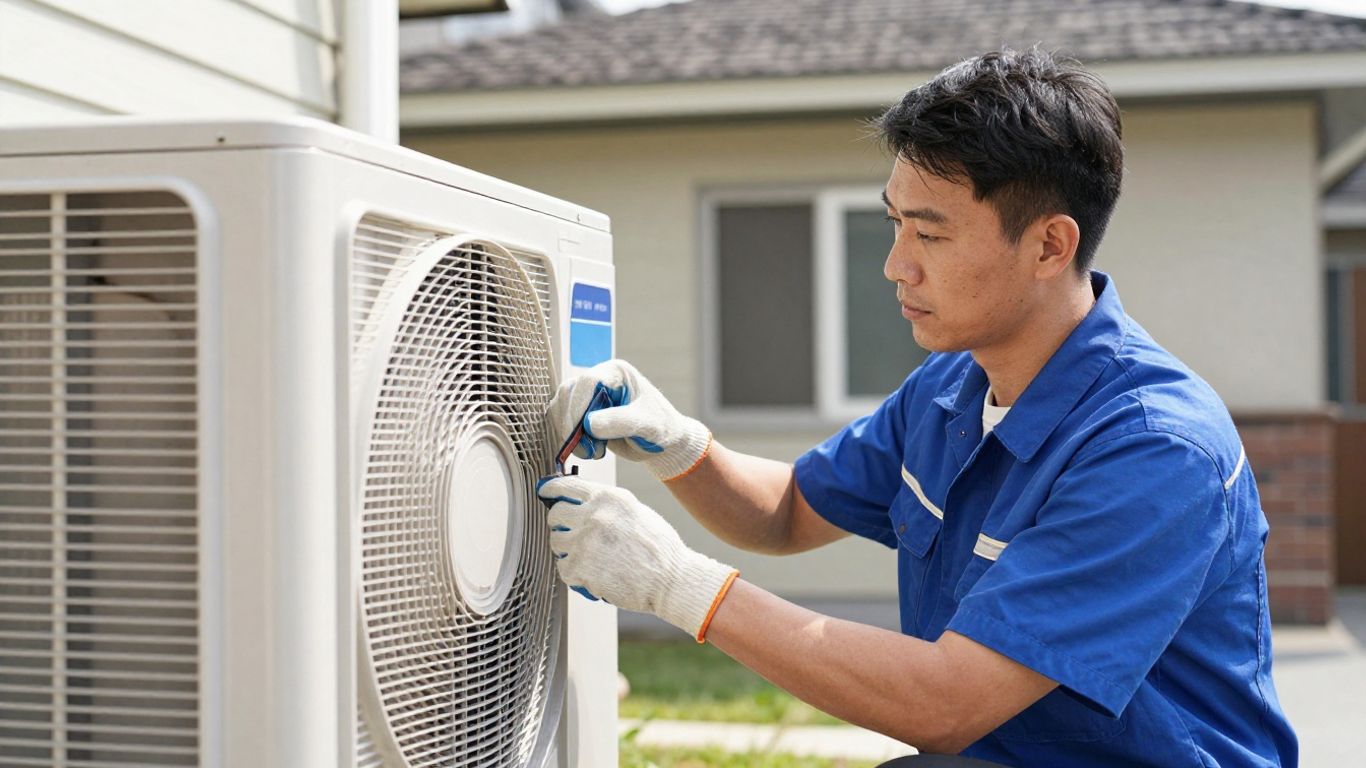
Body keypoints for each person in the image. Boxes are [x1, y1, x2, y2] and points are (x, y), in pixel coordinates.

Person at [535, 48, 1298, 767]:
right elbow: (788, 511)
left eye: (929, 233)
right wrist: (677, 443)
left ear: (1049, 246)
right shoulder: (951, 389)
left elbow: (948, 702)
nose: (896, 265)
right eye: (895, 223)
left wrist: (677, 583)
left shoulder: (1155, 451)